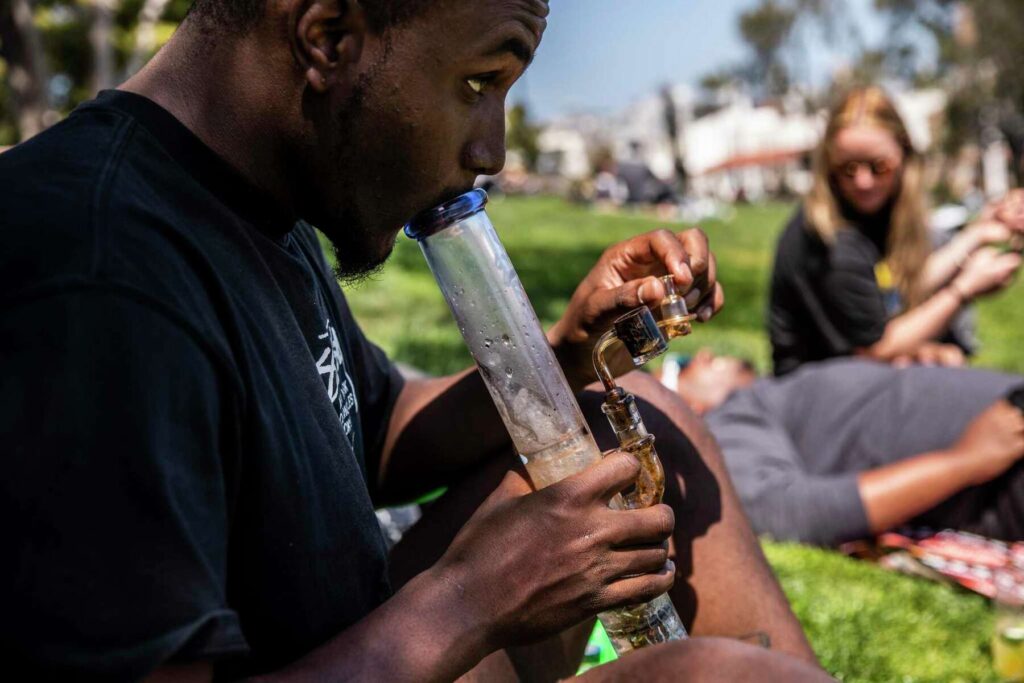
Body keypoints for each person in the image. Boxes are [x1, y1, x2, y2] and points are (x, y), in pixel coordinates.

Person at [0, 1, 829, 680]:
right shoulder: (98, 274)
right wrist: (469, 599)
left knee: (635, 413)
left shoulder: (256, 200)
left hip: (376, 633)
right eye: (478, 82)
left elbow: (378, 428)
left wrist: (567, 353)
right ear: (326, 38)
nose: (492, 149)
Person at [769, 86, 1024, 376]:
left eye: (879, 166)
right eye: (848, 168)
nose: (863, 181)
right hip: (811, 390)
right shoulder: (831, 239)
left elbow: (896, 288)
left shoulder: (873, 213)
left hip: (855, 378)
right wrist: (963, 290)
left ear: (904, 155)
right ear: (829, 164)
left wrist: (979, 233)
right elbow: (877, 349)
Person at [664, 350, 1024, 547]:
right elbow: (799, 513)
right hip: (1007, 473)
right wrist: (964, 461)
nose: (703, 354)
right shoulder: (721, 433)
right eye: (678, 369)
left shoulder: (766, 400)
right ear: (683, 409)